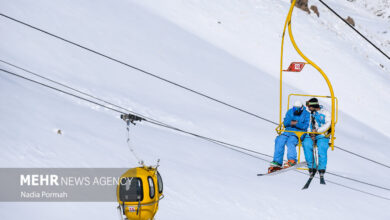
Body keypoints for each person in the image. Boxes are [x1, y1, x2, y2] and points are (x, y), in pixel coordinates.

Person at [268, 100, 310, 173]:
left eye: (297, 109)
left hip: (299, 132)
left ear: (301, 108)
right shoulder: (290, 111)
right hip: (288, 131)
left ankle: (292, 160)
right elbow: (285, 122)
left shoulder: (306, 114)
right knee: (279, 140)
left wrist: (296, 124)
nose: (295, 110)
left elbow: (305, 126)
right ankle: (277, 162)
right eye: (294, 109)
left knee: (290, 141)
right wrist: (290, 123)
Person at [302, 98, 331, 178]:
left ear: (314, 106)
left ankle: (321, 168)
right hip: (312, 133)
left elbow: (327, 124)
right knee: (306, 144)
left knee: (322, 147)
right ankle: (312, 167)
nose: (308, 108)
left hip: (322, 134)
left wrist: (317, 131)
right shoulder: (310, 113)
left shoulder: (325, 113)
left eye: (309, 106)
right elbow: (308, 125)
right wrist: (310, 132)